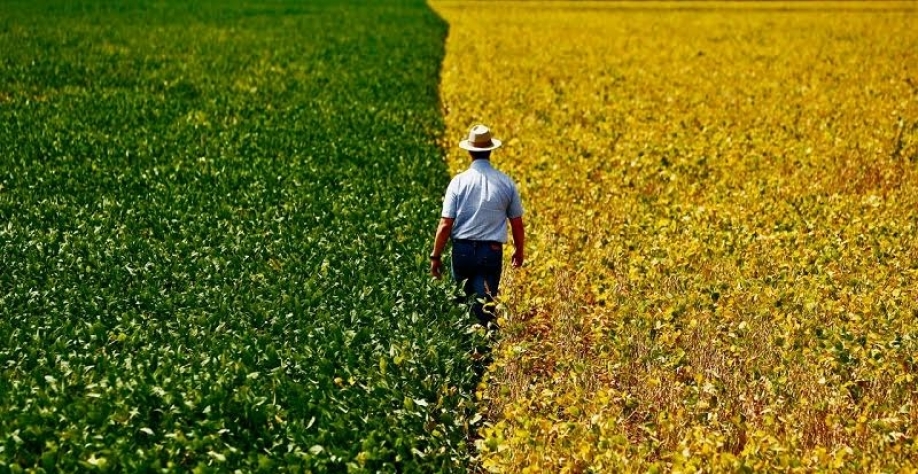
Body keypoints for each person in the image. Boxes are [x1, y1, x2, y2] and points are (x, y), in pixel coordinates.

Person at [429, 124, 525, 327]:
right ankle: (485, 353)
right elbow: (516, 222)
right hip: (490, 252)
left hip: (462, 250)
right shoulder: (506, 182)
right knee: (485, 307)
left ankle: (466, 349)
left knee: (463, 305)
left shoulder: (458, 182)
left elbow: (446, 224)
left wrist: (435, 256)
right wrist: (519, 250)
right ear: (490, 150)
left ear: (469, 152)